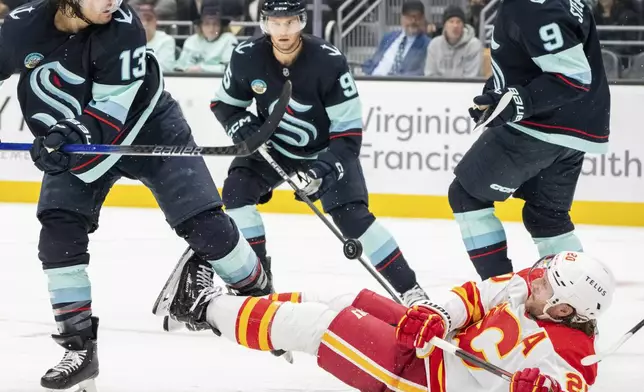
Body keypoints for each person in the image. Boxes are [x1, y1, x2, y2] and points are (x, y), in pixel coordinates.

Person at [0, 0, 272, 389]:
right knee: (58, 236)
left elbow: (110, 112)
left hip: (150, 128)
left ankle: (261, 293)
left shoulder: (124, 27)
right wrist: (60, 137)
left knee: (207, 228)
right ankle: (79, 348)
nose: (113, 1)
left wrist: (65, 136)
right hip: (77, 147)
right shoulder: (19, 28)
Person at [210, 0, 429, 306]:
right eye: (275, 22)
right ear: (264, 23)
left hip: (326, 152)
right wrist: (241, 125)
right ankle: (255, 287)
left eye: (289, 22)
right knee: (236, 193)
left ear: (301, 22)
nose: (283, 30)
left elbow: (348, 137)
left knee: (352, 218)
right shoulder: (246, 56)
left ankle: (411, 291)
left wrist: (322, 171)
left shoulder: (329, 61)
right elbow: (224, 104)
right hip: (274, 147)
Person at [167, 250, 614, 392]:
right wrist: (436, 315)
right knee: (342, 297)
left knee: (321, 325)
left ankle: (201, 306)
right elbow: (475, 296)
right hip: (434, 350)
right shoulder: (529, 287)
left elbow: (568, 384)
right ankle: (236, 318)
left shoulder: (570, 352)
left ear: (563, 311)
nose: (534, 278)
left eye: (545, 286)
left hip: (426, 383)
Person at [449, 0, 610, 281]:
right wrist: (497, 96)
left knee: (466, 195)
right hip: (580, 125)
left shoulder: (529, 5)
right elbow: (537, 57)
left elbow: (572, 76)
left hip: (543, 124)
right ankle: (577, 307)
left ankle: (502, 294)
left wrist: (518, 103)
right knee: (546, 216)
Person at [174, 0, 238, 73]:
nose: (211, 29)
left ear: (221, 26)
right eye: (207, 24)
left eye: (216, 24)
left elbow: (229, 68)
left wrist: (201, 68)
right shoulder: (192, 40)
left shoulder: (229, 39)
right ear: (200, 26)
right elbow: (180, 67)